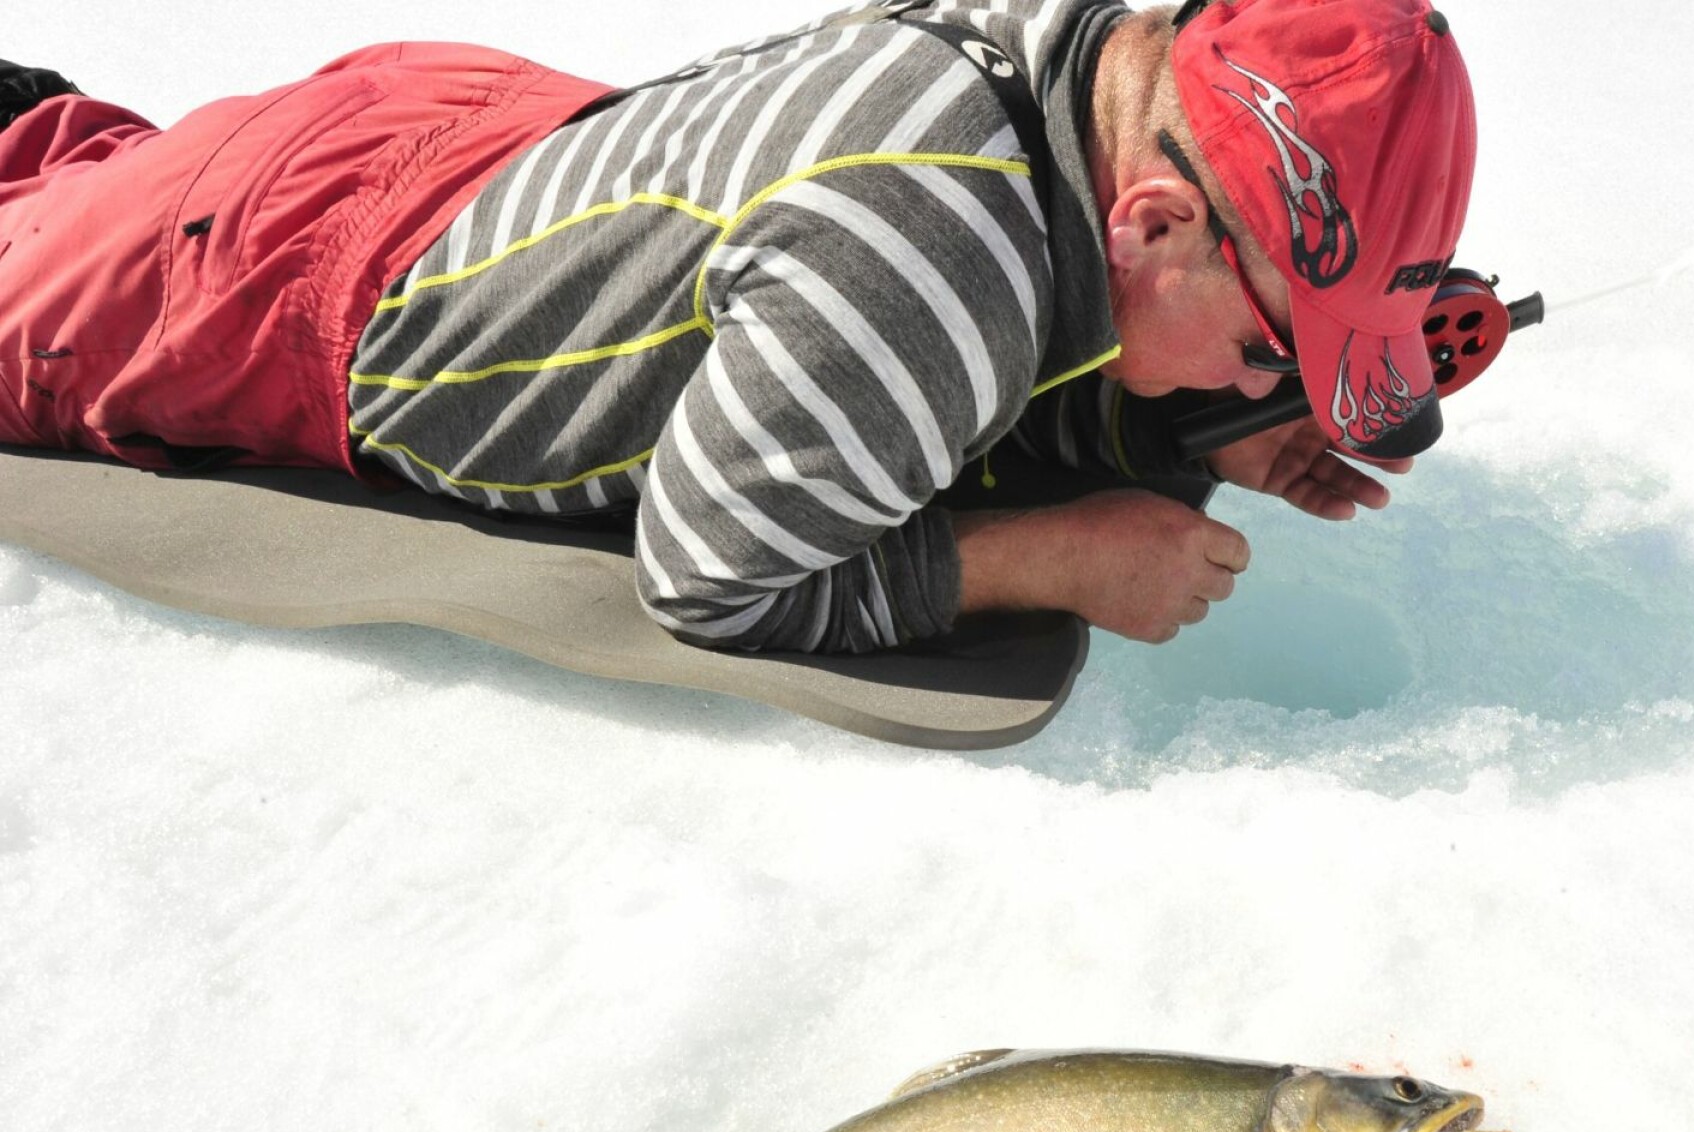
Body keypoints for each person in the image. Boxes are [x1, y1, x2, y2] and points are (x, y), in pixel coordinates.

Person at [0, 0, 1474, 652]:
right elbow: (712, 583)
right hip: (279, 290)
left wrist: (1232, 415)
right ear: (1152, 218)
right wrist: (1055, 559)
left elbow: (1039, 313)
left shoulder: (1071, 53)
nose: (1266, 382)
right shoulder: (924, 278)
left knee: (63, 159)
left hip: (462, 134)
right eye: (1279, 347)